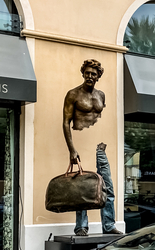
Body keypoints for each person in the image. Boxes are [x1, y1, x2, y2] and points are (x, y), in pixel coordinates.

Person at [62, 59, 122, 236]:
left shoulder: (101, 95)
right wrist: (72, 149)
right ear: (83, 73)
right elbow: (65, 122)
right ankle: (81, 227)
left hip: (100, 148)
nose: (90, 76)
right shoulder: (73, 94)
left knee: (107, 187)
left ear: (98, 76)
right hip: (81, 145)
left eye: (93, 74)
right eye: (87, 73)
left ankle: (109, 225)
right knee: (82, 189)